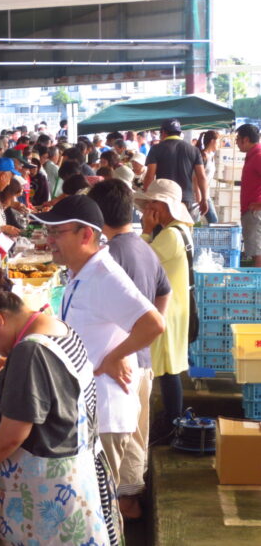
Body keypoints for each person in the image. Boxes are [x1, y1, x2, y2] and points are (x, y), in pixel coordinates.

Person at [0, 269, 119, 546]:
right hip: (79, 486)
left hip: (47, 504)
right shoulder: (58, 328)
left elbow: (14, 434)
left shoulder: (30, 351)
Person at [32, 196, 165, 490]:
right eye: (49, 232)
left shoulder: (105, 276)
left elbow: (154, 324)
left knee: (101, 514)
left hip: (105, 415)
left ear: (87, 235)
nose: (49, 240)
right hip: (87, 410)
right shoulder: (79, 272)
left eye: (57, 232)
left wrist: (114, 357)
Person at [88, 179, 171, 519]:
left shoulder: (110, 256)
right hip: (140, 357)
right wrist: (146, 338)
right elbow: (164, 291)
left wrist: (122, 349)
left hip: (121, 362)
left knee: (123, 437)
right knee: (136, 432)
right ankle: (130, 502)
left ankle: (126, 506)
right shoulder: (143, 246)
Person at [134, 179, 194, 442]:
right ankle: (172, 421)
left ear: (164, 205)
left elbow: (141, 263)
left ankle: (172, 425)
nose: (148, 207)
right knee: (169, 369)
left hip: (169, 310)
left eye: (152, 202)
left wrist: (146, 231)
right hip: (176, 307)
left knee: (169, 371)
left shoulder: (170, 235)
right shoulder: (178, 230)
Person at [144, 118, 208, 216]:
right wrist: (204, 199)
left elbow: (149, 176)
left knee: (162, 230)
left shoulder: (156, 149)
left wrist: (147, 198)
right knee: (182, 229)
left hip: (163, 198)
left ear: (163, 132)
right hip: (186, 199)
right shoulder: (194, 150)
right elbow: (202, 177)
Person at [236, 123, 261, 266]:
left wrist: (258, 204)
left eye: (238, 139)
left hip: (255, 212)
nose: (237, 143)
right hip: (250, 212)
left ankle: (258, 287)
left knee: (257, 251)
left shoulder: (258, 155)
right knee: (254, 250)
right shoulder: (253, 155)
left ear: (245, 139)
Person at [197, 130, 219, 224]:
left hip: (206, 194)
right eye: (218, 141)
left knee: (213, 220)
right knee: (212, 220)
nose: (219, 144)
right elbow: (195, 178)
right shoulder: (203, 157)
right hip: (199, 195)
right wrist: (199, 197)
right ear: (212, 141)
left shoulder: (211, 156)